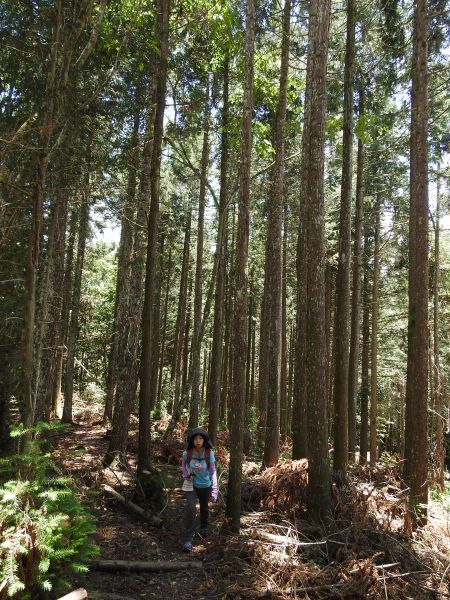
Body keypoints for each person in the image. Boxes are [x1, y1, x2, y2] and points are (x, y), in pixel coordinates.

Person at [181, 427, 218, 552]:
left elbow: (213, 471)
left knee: (204, 508)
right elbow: (183, 466)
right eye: (196, 439)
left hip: (205, 485)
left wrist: (214, 489)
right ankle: (188, 539)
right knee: (191, 509)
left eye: (200, 438)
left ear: (204, 440)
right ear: (192, 440)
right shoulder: (188, 453)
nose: (198, 441)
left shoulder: (209, 453)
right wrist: (186, 475)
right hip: (191, 485)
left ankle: (204, 526)